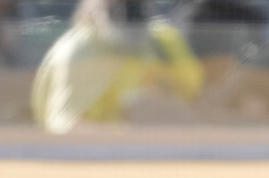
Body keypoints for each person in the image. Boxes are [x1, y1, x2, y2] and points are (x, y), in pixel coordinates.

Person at [30, 0, 204, 134]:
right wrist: (129, 133)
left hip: (172, 159)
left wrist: (168, 111)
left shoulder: (166, 43)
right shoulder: (78, 53)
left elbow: (205, 104)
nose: (130, 10)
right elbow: (63, 133)